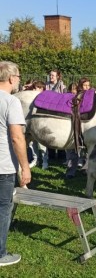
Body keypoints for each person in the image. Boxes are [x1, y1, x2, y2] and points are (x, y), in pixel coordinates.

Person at [0, 61, 31, 266]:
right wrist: (25, 167)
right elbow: (17, 138)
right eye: (18, 76)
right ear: (11, 78)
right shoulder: (11, 102)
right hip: (3, 165)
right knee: (3, 208)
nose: (19, 80)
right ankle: (1, 254)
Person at [44, 69, 66, 166]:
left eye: (53, 75)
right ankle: (51, 154)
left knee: (59, 131)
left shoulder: (62, 86)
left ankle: (61, 154)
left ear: (57, 76)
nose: (51, 77)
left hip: (59, 111)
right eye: (50, 75)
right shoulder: (46, 85)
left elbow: (64, 96)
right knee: (50, 131)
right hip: (49, 110)